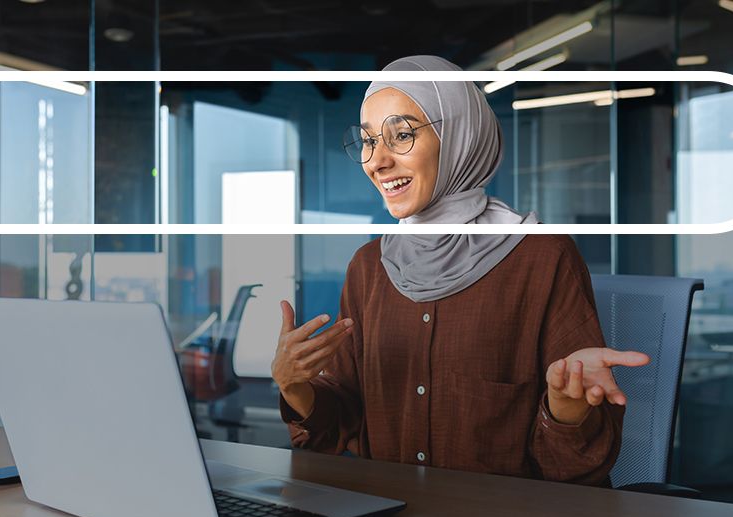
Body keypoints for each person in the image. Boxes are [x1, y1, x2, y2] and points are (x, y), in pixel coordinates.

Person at [271, 55, 649, 485]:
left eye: (402, 135)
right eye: (368, 141)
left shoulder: (542, 257)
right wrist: (294, 387)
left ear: (458, 136)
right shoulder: (369, 268)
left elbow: (579, 469)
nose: (376, 161)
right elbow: (339, 426)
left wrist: (566, 408)